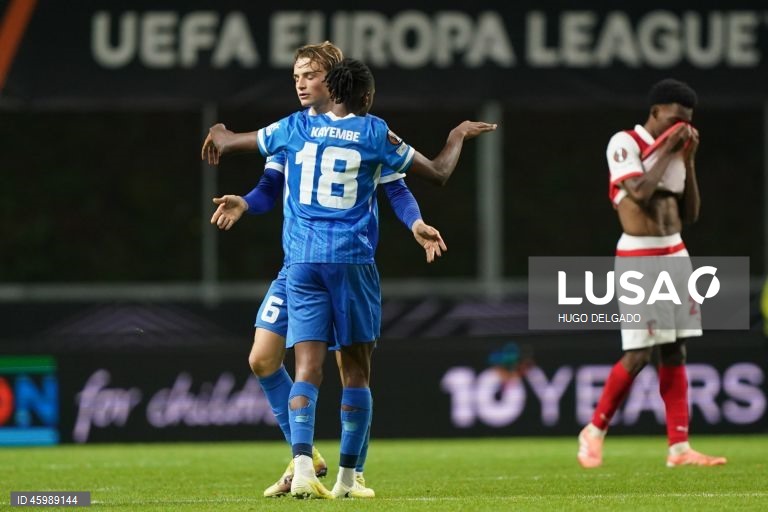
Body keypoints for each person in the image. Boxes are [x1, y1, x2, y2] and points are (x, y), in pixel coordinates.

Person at [204, 43, 493, 499]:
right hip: (314, 263)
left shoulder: (293, 128)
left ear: (332, 81)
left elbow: (396, 190)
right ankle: (324, 465)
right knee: (267, 359)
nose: (301, 83)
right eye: (296, 75)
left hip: (304, 261)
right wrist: (244, 202)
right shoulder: (353, 130)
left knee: (310, 366)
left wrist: (414, 221)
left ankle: (317, 464)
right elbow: (267, 186)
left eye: (310, 75)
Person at [577, 78, 727, 469]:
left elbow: (690, 214)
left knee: (675, 349)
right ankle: (594, 430)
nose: (681, 128)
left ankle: (679, 448)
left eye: (687, 122)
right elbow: (640, 194)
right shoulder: (624, 142)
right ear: (657, 111)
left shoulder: (676, 152)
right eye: (676, 119)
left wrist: (689, 161)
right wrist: (670, 149)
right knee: (639, 353)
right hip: (639, 257)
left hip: (676, 252)